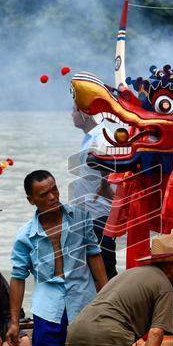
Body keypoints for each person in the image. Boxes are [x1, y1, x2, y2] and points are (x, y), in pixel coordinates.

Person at [8, 170, 108, 346]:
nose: (53, 197)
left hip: (81, 305)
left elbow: (94, 254)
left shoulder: (80, 219)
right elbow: (18, 279)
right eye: (44, 194)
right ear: (31, 200)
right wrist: (13, 322)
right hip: (48, 311)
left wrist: (105, 296)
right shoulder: (25, 237)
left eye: (55, 190)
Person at [69, 105, 118, 279]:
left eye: (74, 110)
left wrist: (105, 185)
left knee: (105, 267)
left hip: (99, 213)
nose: (71, 114)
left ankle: (114, 303)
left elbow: (110, 162)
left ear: (85, 114)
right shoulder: (92, 137)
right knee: (92, 268)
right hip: (89, 213)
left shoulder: (102, 137)